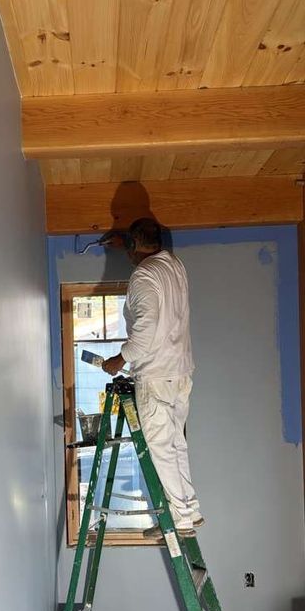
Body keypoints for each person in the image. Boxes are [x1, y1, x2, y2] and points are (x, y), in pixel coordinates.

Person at [102, 218, 204, 537]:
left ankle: (178, 519)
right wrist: (128, 242)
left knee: (161, 447)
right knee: (175, 443)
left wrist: (120, 359)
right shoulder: (173, 265)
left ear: (134, 245)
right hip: (179, 372)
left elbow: (144, 331)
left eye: (129, 247)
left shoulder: (143, 277)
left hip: (156, 375)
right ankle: (190, 510)